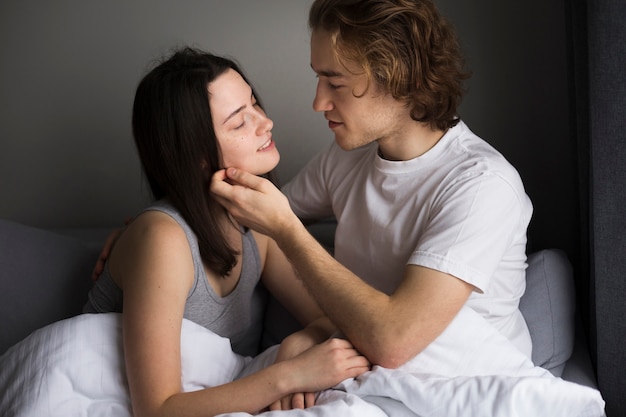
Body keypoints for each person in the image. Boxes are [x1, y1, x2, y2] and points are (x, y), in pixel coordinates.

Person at [210, 0, 534, 371]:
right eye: (319, 78)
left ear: (402, 79)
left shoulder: (481, 186)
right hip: (366, 375)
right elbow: (254, 215)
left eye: (335, 82)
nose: (318, 101)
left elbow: (395, 343)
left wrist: (286, 229)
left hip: (465, 387)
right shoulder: (347, 158)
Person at [83, 47, 369, 417]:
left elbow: (336, 316)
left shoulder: (256, 223)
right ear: (196, 154)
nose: (265, 123)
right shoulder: (163, 239)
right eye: (239, 122)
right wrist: (289, 376)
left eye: (254, 104)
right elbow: (156, 410)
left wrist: (300, 340)